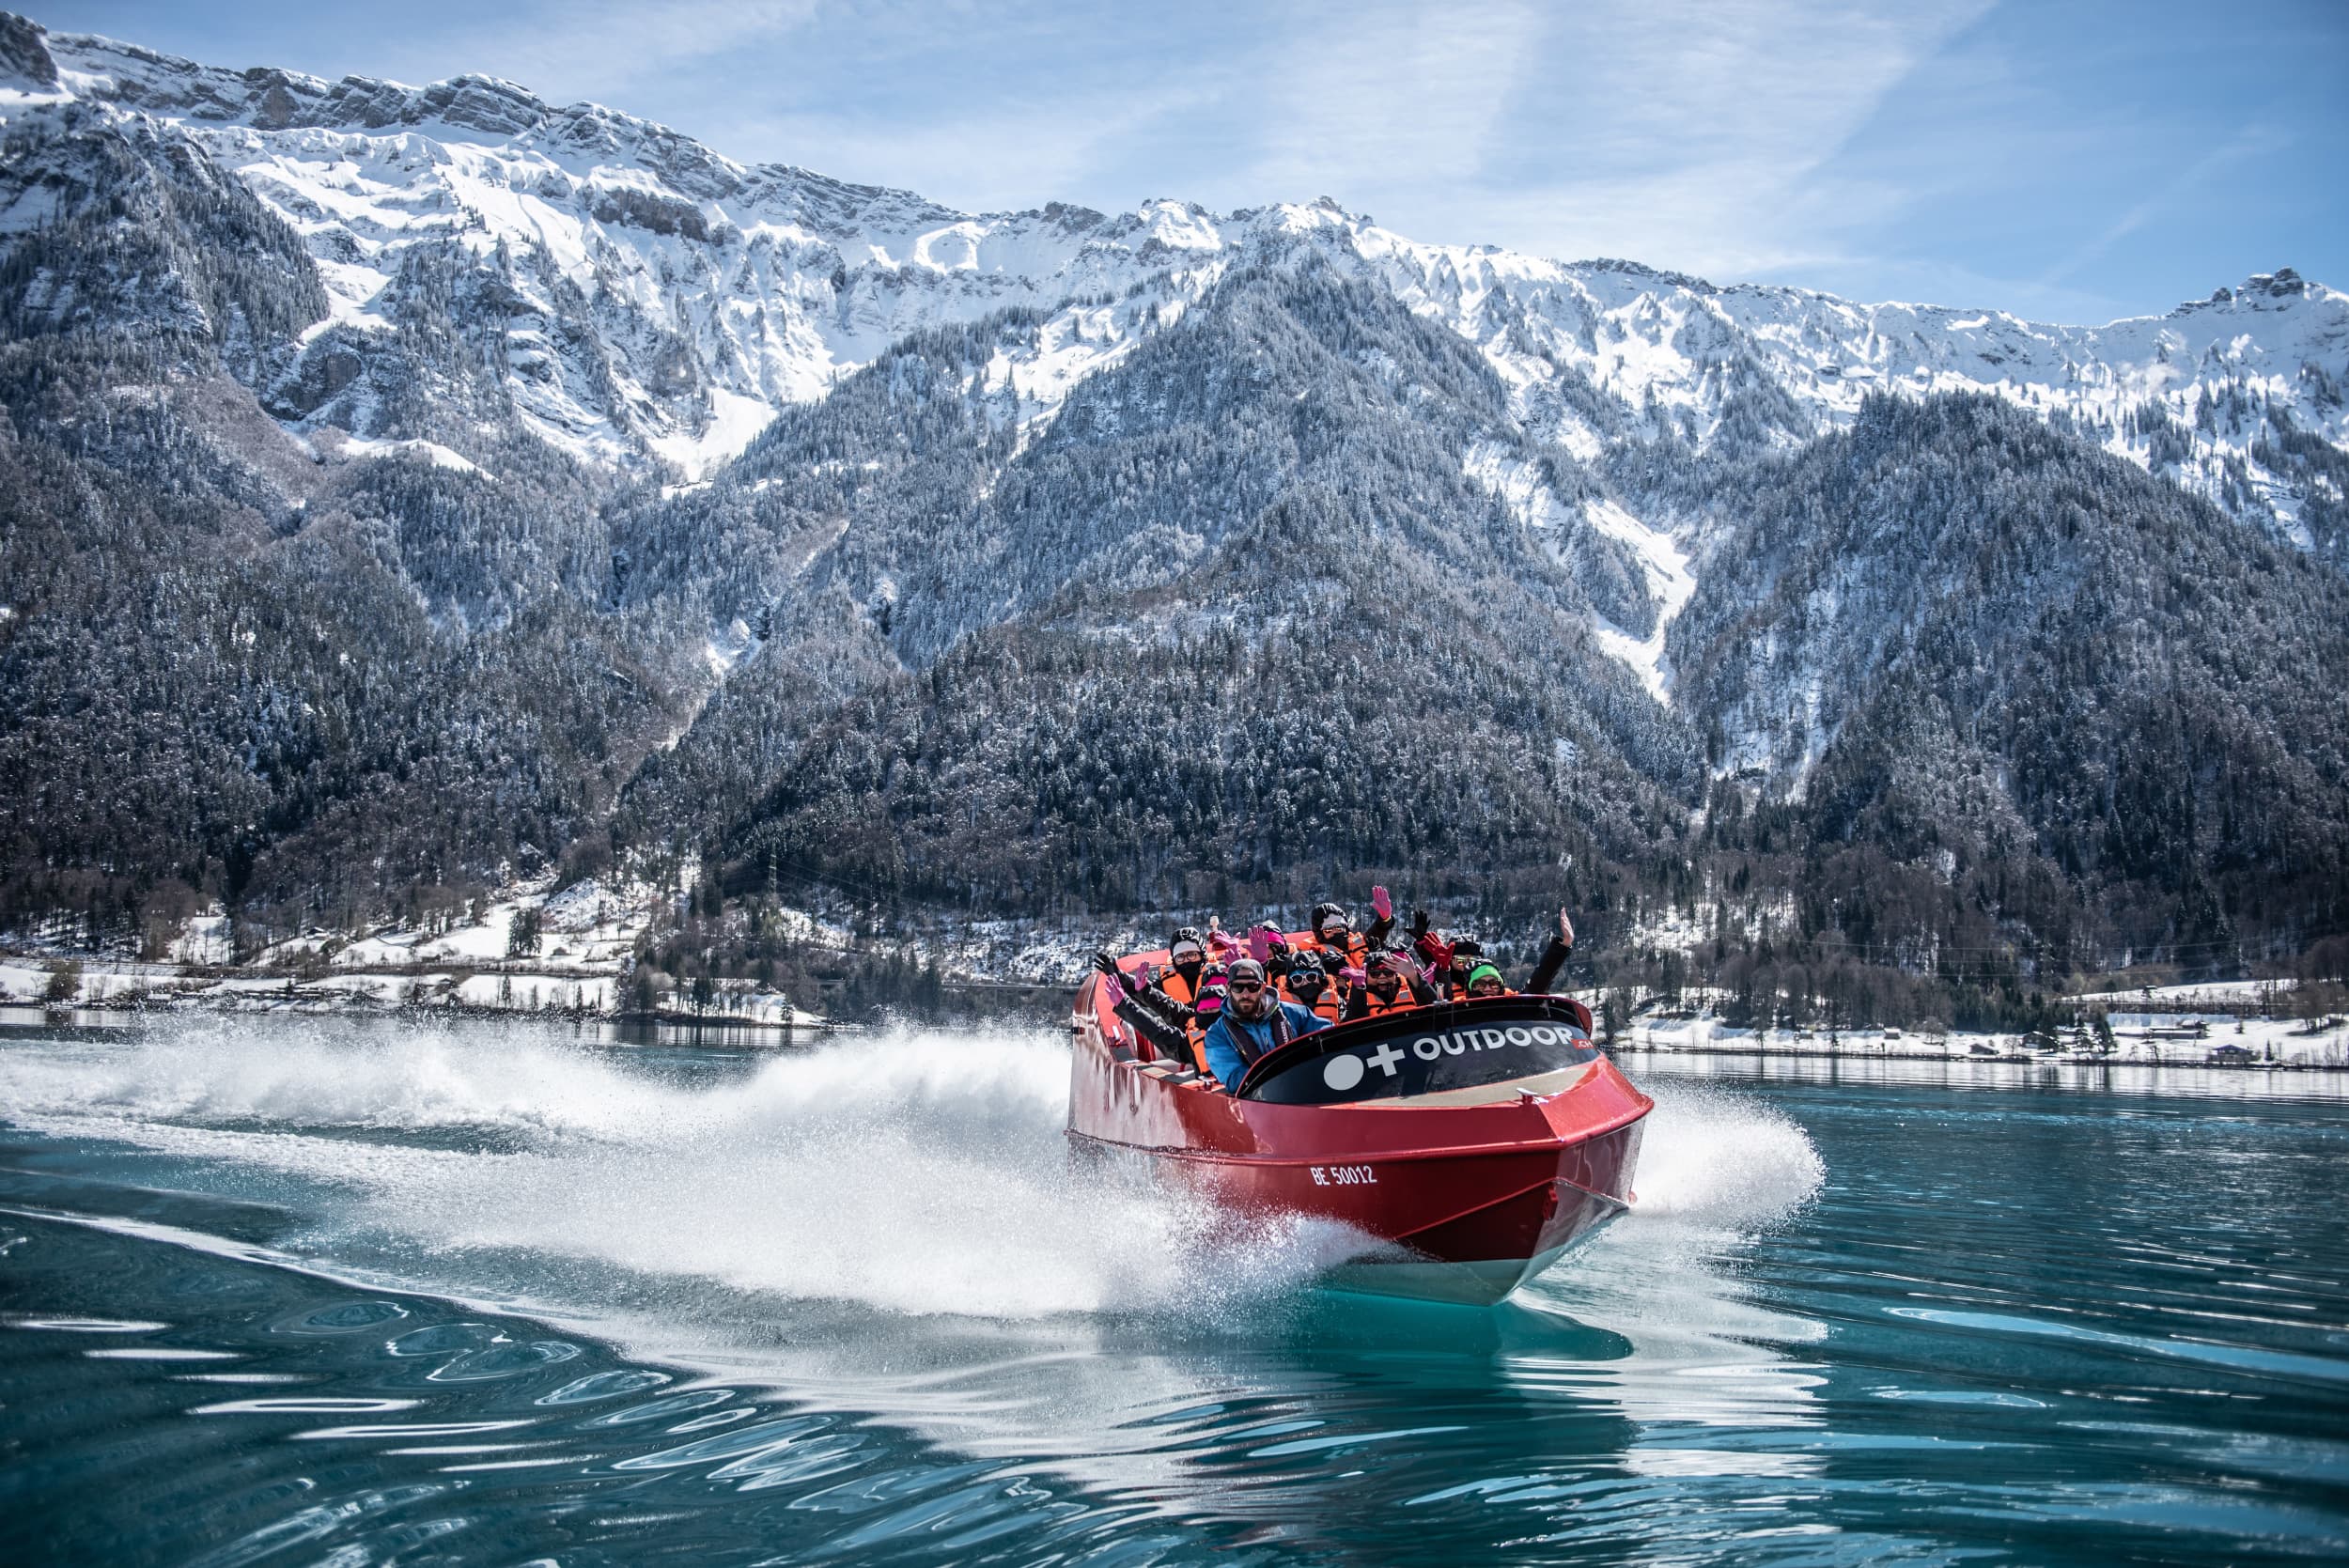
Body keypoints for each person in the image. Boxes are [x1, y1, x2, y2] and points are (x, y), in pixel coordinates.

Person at [1199, 957, 1327, 1089]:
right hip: (1259, 1101)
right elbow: (1234, 1077)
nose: (1245, 994)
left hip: (1306, 1089)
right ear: (1228, 989)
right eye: (1238, 987)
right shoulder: (1217, 1034)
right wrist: (1281, 1081)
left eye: (1253, 986)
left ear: (1263, 988)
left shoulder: (1297, 1014)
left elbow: (1328, 1039)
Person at [1462, 908, 1578, 998]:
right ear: (1471, 988)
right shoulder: (1457, 1013)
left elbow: (1539, 981)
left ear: (1501, 987)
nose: (1487, 989)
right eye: (1480, 984)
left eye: (1493, 984)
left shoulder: (1515, 1004)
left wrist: (1565, 944)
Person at [1299, 888, 1396, 970]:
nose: (1335, 932)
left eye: (1338, 927)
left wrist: (1385, 918)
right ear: (1319, 933)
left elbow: (1379, 930)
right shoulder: (1312, 954)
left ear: (1345, 927)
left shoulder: (1360, 942)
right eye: (1328, 930)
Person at [1344, 947, 1438, 1020]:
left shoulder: (1413, 990)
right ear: (1365, 976)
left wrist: (1413, 976)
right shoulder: (1358, 998)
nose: (1382, 977)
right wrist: (1358, 988)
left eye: (1388, 972)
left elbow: (1437, 1011)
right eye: (1374, 974)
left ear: (1396, 975)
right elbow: (1352, 1022)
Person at [1275, 951, 1346, 1023]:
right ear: (1290, 984)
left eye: (1311, 977)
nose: (1305, 982)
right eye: (1297, 979)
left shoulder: (1338, 1001)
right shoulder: (1281, 1008)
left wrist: (1357, 990)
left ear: (1320, 979)